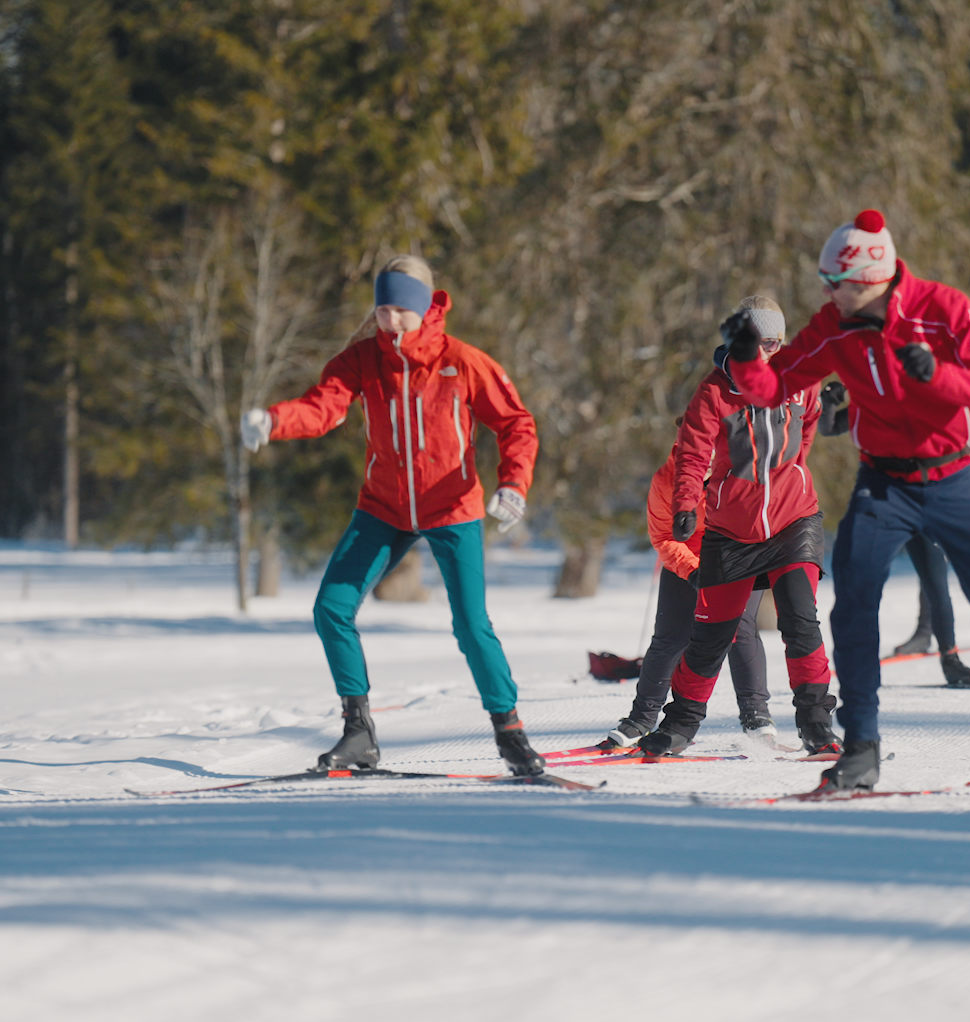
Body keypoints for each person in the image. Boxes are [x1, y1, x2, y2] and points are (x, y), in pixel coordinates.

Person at [719, 208, 970, 793]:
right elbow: (775, 387)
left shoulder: (943, 310)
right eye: (826, 284)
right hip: (885, 486)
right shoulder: (834, 325)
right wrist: (746, 354)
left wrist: (942, 377)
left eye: (836, 284)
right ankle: (860, 750)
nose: (827, 295)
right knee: (853, 606)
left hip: (959, 482)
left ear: (869, 277)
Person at [240, 254, 546, 776]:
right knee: (330, 609)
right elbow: (323, 407)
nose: (390, 321)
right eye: (382, 309)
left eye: (401, 310)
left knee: (471, 625)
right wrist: (274, 420)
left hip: (452, 508)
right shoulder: (362, 360)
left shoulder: (461, 360)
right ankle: (358, 731)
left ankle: (510, 731)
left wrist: (513, 484)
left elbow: (516, 422)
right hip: (383, 508)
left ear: (424, 307)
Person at [638, 295, 842, 759]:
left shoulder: (801, 379)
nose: (768, 352)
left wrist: (797, 467)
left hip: (795, 520)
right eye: (757, 342)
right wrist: (687, 504)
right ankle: (680, 726)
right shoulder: (714, 392)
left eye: (775, 342)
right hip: (732, 531)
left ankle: (817, 726)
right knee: (710, 637)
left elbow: (806, 429)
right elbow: (691, 453)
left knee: (801, 622)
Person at [601, 442, 774, 749]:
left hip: (736, 558)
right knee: (671, 637)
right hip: (684, 562)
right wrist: (694, 572)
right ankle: (641, 719)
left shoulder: (744, 471)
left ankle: (756, 715)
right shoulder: (667, 479)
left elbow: (760, 521)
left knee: (740, 630)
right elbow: (663, 536)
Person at [820, 383, 970, 686]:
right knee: (863, 580)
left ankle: (950, 659)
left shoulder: (921, 396)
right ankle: (861, 660)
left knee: (935, 582)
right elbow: (829, 428)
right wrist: (829, 401)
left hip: (926, 500)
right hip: (886, 504)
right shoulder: (870, 403)